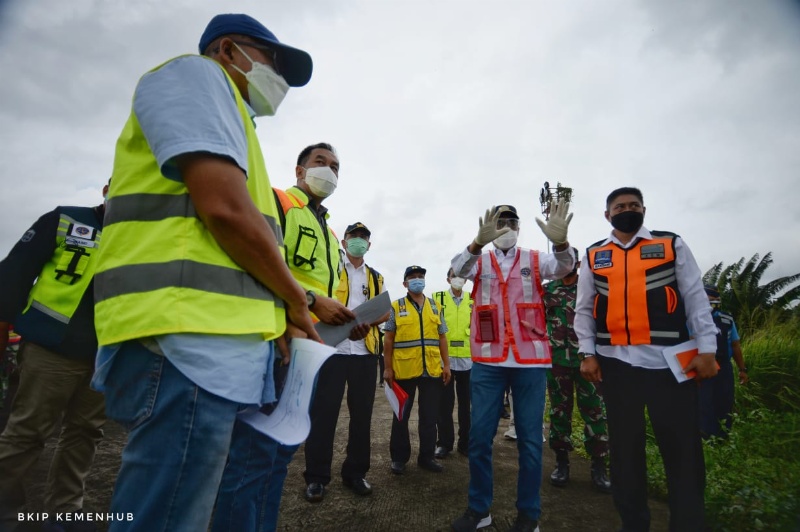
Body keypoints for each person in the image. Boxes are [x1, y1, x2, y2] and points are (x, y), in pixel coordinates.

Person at [90, 14, 322, 532]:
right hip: (188, 342)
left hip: (218, 349)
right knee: (168, 517)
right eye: (272, 62)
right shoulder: (197, 76)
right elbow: (226, 214)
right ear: (227, 49)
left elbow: (239, 242)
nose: (278, 79)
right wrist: (295, 301)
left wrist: (277, 314)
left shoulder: (241, 127)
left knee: (192, 511)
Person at [212, 142, 358, 529]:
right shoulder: (278, 202)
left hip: (309, 349)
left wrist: (345, 319)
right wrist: (306, 303)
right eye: (320, 163)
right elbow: (256, 260)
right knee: (252, 457)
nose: (328, 171)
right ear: (299, 170)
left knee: (280, 454)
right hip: (276, 343)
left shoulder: (328, 231)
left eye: (336, 167)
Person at [576, 187, 718, 532]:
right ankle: (633, 523)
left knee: (682, 450)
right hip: (616, 366)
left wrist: (708, 348)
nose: (628, 210)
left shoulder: (670, 244)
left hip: (669, 364)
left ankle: (687, 524)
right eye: (620, 206)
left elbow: (695, 297)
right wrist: (587, 353)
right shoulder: (596, 254)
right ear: (607, 215)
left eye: (634, 205)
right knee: (625, 452)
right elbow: (583, 309)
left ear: (644, 210)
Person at [451, 202, 575, 532]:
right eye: (499, 222)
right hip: (489, 362)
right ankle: (480, 510)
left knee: (531, 442)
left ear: (519, 228)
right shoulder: (482, 261)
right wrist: (477, 243)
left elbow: (565, 266)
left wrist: (561, 242)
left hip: (530, 361)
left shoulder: (535, 259)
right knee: (479, 438)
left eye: (510, 222)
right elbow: (457, 270)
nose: (505, 227)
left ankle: (528, 515)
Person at [0, 185, 108, 531]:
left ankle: (65, 513)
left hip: (106, 356)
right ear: (108, 189)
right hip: (50, 351)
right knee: (27, 432)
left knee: (86, 434)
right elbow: (14, 275)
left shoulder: (141, 237)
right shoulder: (67, 218)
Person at [302, 222, 388, 502]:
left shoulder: (375, 277)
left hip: (364, 351)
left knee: (362, 418)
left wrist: (365, 323)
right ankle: (316, 477)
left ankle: (355, 473)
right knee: (324, 415)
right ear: (344, 241)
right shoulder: (331, 269)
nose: (359, 241)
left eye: (364, 237)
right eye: (354, 236)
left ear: (369, 245)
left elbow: (384, 312)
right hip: (331, 351)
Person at [543, 247, 610, 493]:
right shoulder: (547, 290)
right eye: (563, 260)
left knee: (594, 411)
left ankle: (599, 466)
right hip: (557, 361)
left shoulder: (590, 287)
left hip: (588, 361)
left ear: (578, 263)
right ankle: (561, 463)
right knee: (559, 412)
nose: (567, 264)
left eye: (571, 260)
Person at [383, 265, 452, 475]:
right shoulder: (396, 307)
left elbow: (442, 337)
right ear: (405, 283)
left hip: (431, 370)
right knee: (401, 416)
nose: (417, 280)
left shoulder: (435, 306)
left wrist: (446, 364)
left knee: (429, 417)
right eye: (412, 277)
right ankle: (398, 458)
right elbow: (388, 338)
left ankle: (427, 457)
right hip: (403, 370)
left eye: (420, 276)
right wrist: (387, 368)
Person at [698, 285, 748, 439]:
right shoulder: (693, 318)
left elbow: (735, 345)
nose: (712, 303)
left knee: (724, 401)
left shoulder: (727, 319)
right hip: (703, 366)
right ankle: (707, 436)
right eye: (709, 300)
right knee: (704, 402)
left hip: (724, 367)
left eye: (715, 300)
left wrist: (742, 369)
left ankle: (723, 435)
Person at [433, 268, 473, 459]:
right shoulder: (437, 298)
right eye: (454, 276)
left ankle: (465, 443)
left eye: (461, 276)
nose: (458, 279)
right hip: (445, 360)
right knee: (444, 405)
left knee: (466, 406)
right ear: (448, 278)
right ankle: (444, 443)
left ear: (466, 280)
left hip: (468, 360)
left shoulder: (473, 299)